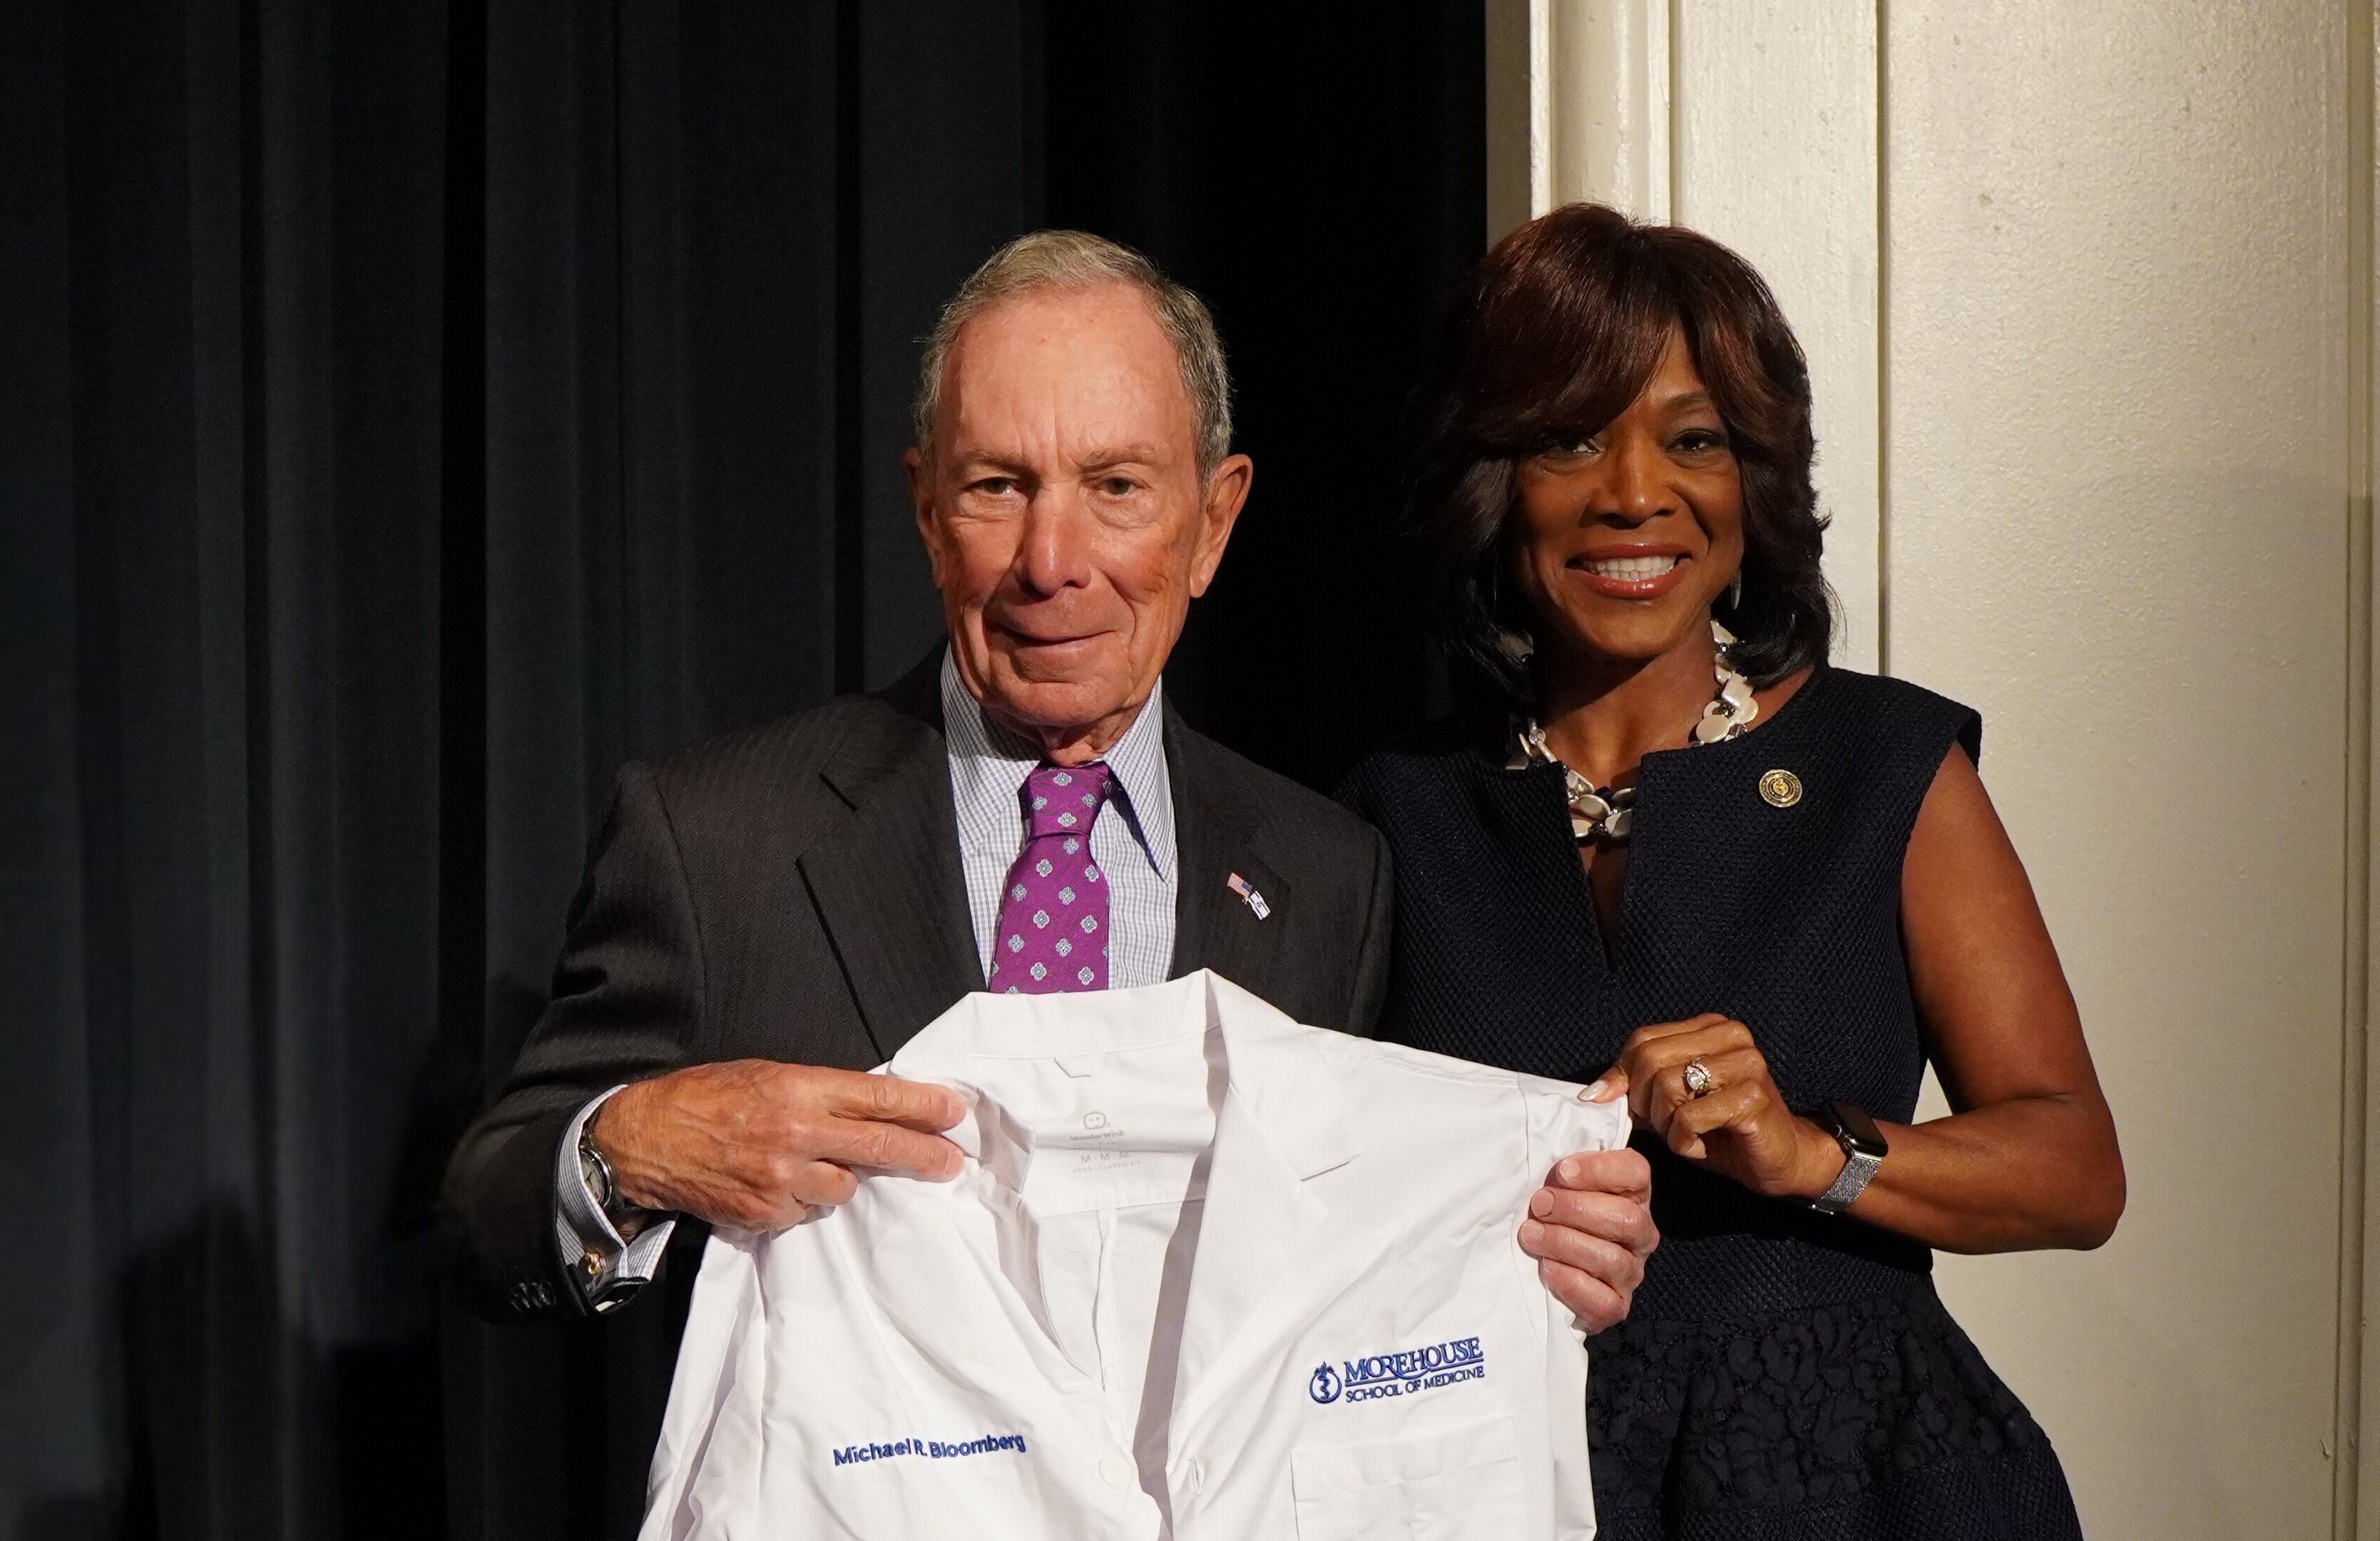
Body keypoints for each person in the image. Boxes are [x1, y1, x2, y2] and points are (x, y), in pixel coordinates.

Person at [441, 230, 1658, 1516]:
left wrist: (1549, 1250)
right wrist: (631, 1148)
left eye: (1118, 486)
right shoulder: (716, 839)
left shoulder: (1326, 871)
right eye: (998, 487)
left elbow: (1370, 1264)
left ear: (1215, 519)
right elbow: (482, 1219)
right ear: (925, 510)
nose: (1051, 561)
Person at [1339, 204, 2126, 1539]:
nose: (1635, 491)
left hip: (1857, 1484)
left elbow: (2072, 1166)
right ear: (1495, 482)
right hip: (1503, 1472)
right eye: (1571, 435)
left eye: (1693, 439)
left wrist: (1812, 1154)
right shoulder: (1392, 817)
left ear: (1750, 488)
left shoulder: (1885, 766)